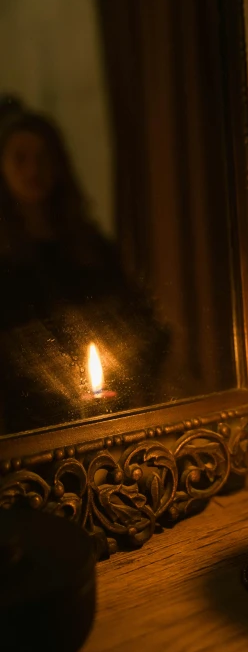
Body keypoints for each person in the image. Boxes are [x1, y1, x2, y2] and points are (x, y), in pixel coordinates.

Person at [0, 104, 170, 434]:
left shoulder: (89, 246)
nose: (33, 168)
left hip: (108, 414)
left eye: (43, 157)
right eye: (20, 158)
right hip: (33, 429)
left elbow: (138, 322)